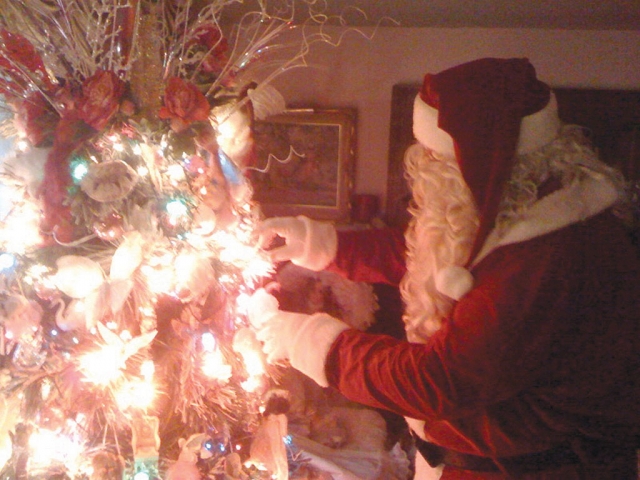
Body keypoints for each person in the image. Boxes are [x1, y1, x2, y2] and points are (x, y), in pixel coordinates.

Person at [249, 57, 640, 479]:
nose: (422, 171)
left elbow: (437, 380)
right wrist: (323, 245)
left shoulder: (552, 256)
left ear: (477, 163)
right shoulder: (530, 206)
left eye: (434, 160)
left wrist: (306, 339)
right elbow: (435, 252)